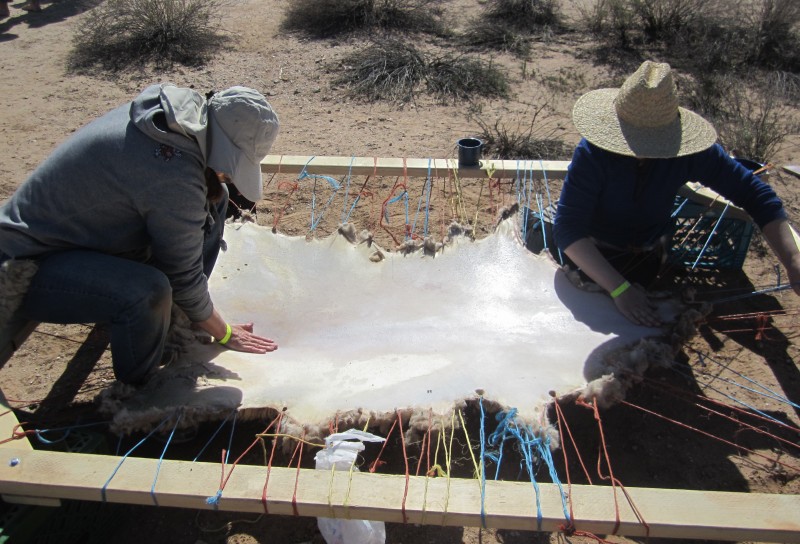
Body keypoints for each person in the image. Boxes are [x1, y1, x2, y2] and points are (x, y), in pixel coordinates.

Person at [0, 83, 280, 384]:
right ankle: (143, 392)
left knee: (216, 197)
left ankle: (177, 320)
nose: (228, 172)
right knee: (148, 291)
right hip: (27, 265)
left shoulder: (172, 120)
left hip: (83, 243)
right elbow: (182, 275)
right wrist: (222, 330)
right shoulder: (172, 174)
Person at [553, 60, 800, 327]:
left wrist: (793, 259)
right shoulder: (593, 154)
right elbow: (568, 229)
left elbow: (755, 194)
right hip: (591, 259)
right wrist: (620, 290)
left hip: (647, 256)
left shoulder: (688, 152)